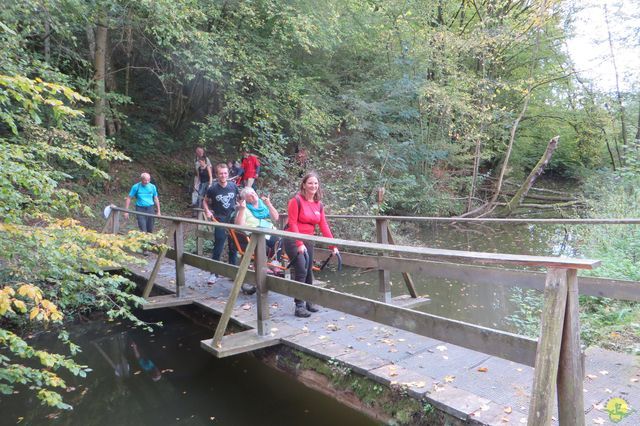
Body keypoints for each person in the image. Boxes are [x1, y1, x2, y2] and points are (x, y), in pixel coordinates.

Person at [284, 172, 339, 318]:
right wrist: (299, 242)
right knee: (301, 268)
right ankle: (299, 306)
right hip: (292, 238)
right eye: (310, 183)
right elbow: (293, 222)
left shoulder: (318, 205)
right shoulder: (296, 201)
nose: (313, 186)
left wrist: (332, 245)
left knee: (308, 270)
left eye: (315, 183)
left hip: (308, 239)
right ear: (304, 185)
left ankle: (309, 301)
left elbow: (324, 225)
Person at [203, 163, 239, 284]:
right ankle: (214, 273)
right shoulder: (212, 188)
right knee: (218, 246)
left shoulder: (233, 186)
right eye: (221, 173)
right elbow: (205, 201)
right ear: (217, 174)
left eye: (225, 173)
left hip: (232, 220)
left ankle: (232, 272)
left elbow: (238, 200)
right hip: (219, 219)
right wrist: (207, 211)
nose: (223, 175)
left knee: (234, 247)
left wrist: (241, 207)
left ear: (228, 174)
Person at [235, 187, 281, 258]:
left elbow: (276, 218)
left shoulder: (264, 204)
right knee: (275, 241)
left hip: (270, 231)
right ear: (246, 200)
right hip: (255, 235)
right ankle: (270, 264)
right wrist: (242, 209)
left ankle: (273, 263)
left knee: (283, 240)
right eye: (250, 196)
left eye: (253, 193)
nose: (253, 196)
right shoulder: (244, 209)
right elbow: (239, 226)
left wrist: (269, 205)